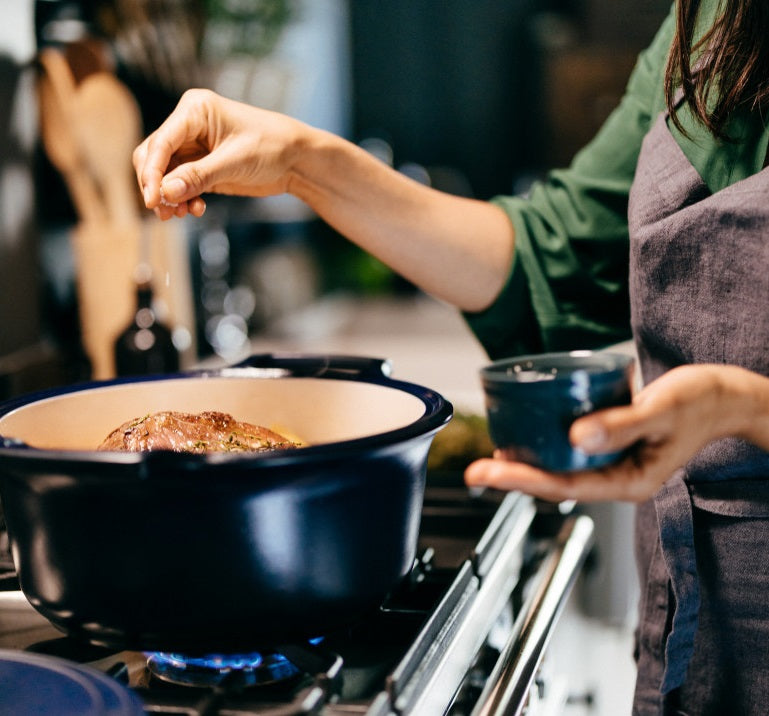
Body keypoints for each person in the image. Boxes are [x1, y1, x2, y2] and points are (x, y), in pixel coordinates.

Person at [133, 1, 769, 713]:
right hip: (694, 619)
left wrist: (744, 408)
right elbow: (549, 259)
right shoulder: (712, 16)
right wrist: (303, 163)